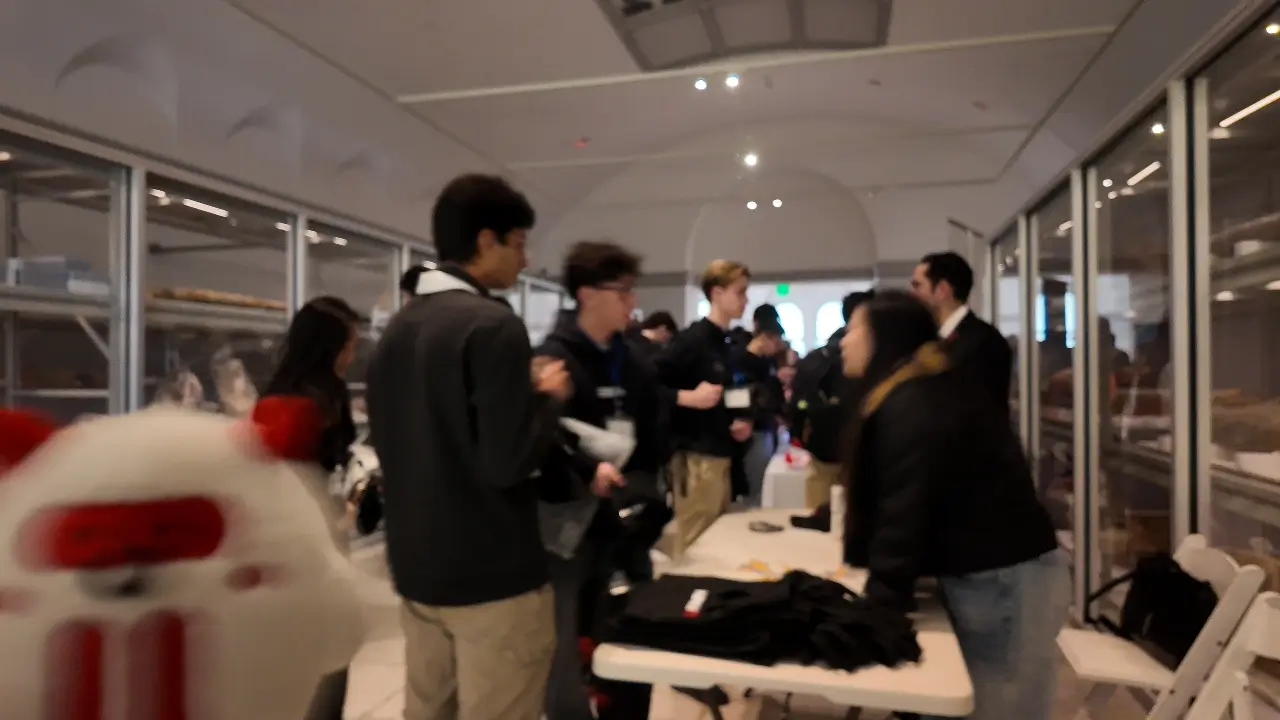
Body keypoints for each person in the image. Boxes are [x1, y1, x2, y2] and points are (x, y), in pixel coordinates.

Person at [366, 174, 572, 720]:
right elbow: (506, 462)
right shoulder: (492, 326)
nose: (524, 261)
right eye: (520, 243)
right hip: (492, 573)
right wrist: (548, 404)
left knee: (428, 708)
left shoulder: (396, 331)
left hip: (417, 566)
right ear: (487, 241)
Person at [837, 290, 1068, 720]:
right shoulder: (920, 389)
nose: (843, 341)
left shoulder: (916, 401)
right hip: (989, 575)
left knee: (995, 707)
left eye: (853, 330)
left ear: (883, 338)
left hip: (1002, 581)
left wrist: (880, 605)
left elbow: (906, 506)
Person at [536, 241, 715, 719]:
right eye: (623, 292)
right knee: (567, 647)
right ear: (587, 294)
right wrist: (583, 472)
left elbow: (652, 426)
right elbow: (538, 443)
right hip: (569, 529)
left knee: (634, 632)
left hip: (627, 521)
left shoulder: (633, 357)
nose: (632, 303)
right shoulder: (552, 360)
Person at [259, 295, 361, 720]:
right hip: (315, 541)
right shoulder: (314, 405)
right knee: (326, 660)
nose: (354, 355)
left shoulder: (283, 391)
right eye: (351, 345)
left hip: (289, 544)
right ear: (330, 348)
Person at [656, 259, 752, 558]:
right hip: (695, 456)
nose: (746, 300)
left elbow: (729, 392)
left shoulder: (726, 342)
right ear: (717, 293)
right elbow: (648, 387)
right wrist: (686, 398)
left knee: (717, 538)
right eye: (740, 292)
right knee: (697, 541)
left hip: (721, 452)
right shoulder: (691, 340)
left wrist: (740, 419)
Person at [788, 290, 872, 508]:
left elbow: (795, 405)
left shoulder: (818, 357)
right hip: (859, 457)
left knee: (819, 522)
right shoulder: (869, 359)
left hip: (821, 453)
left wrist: (801, 438)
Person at [911, 251, 1013, 407]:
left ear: (942, 290)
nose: (912, 294)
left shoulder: (983, 342)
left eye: (917, 285)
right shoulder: (933, 338)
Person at [734, 318, 786, 507]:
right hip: (754, 428)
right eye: (775, 342)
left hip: (767, 425)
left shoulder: (767, 362)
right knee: (757, 482)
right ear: (765, 338)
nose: (777, 348)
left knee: (764, 479)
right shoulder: (742, 361)